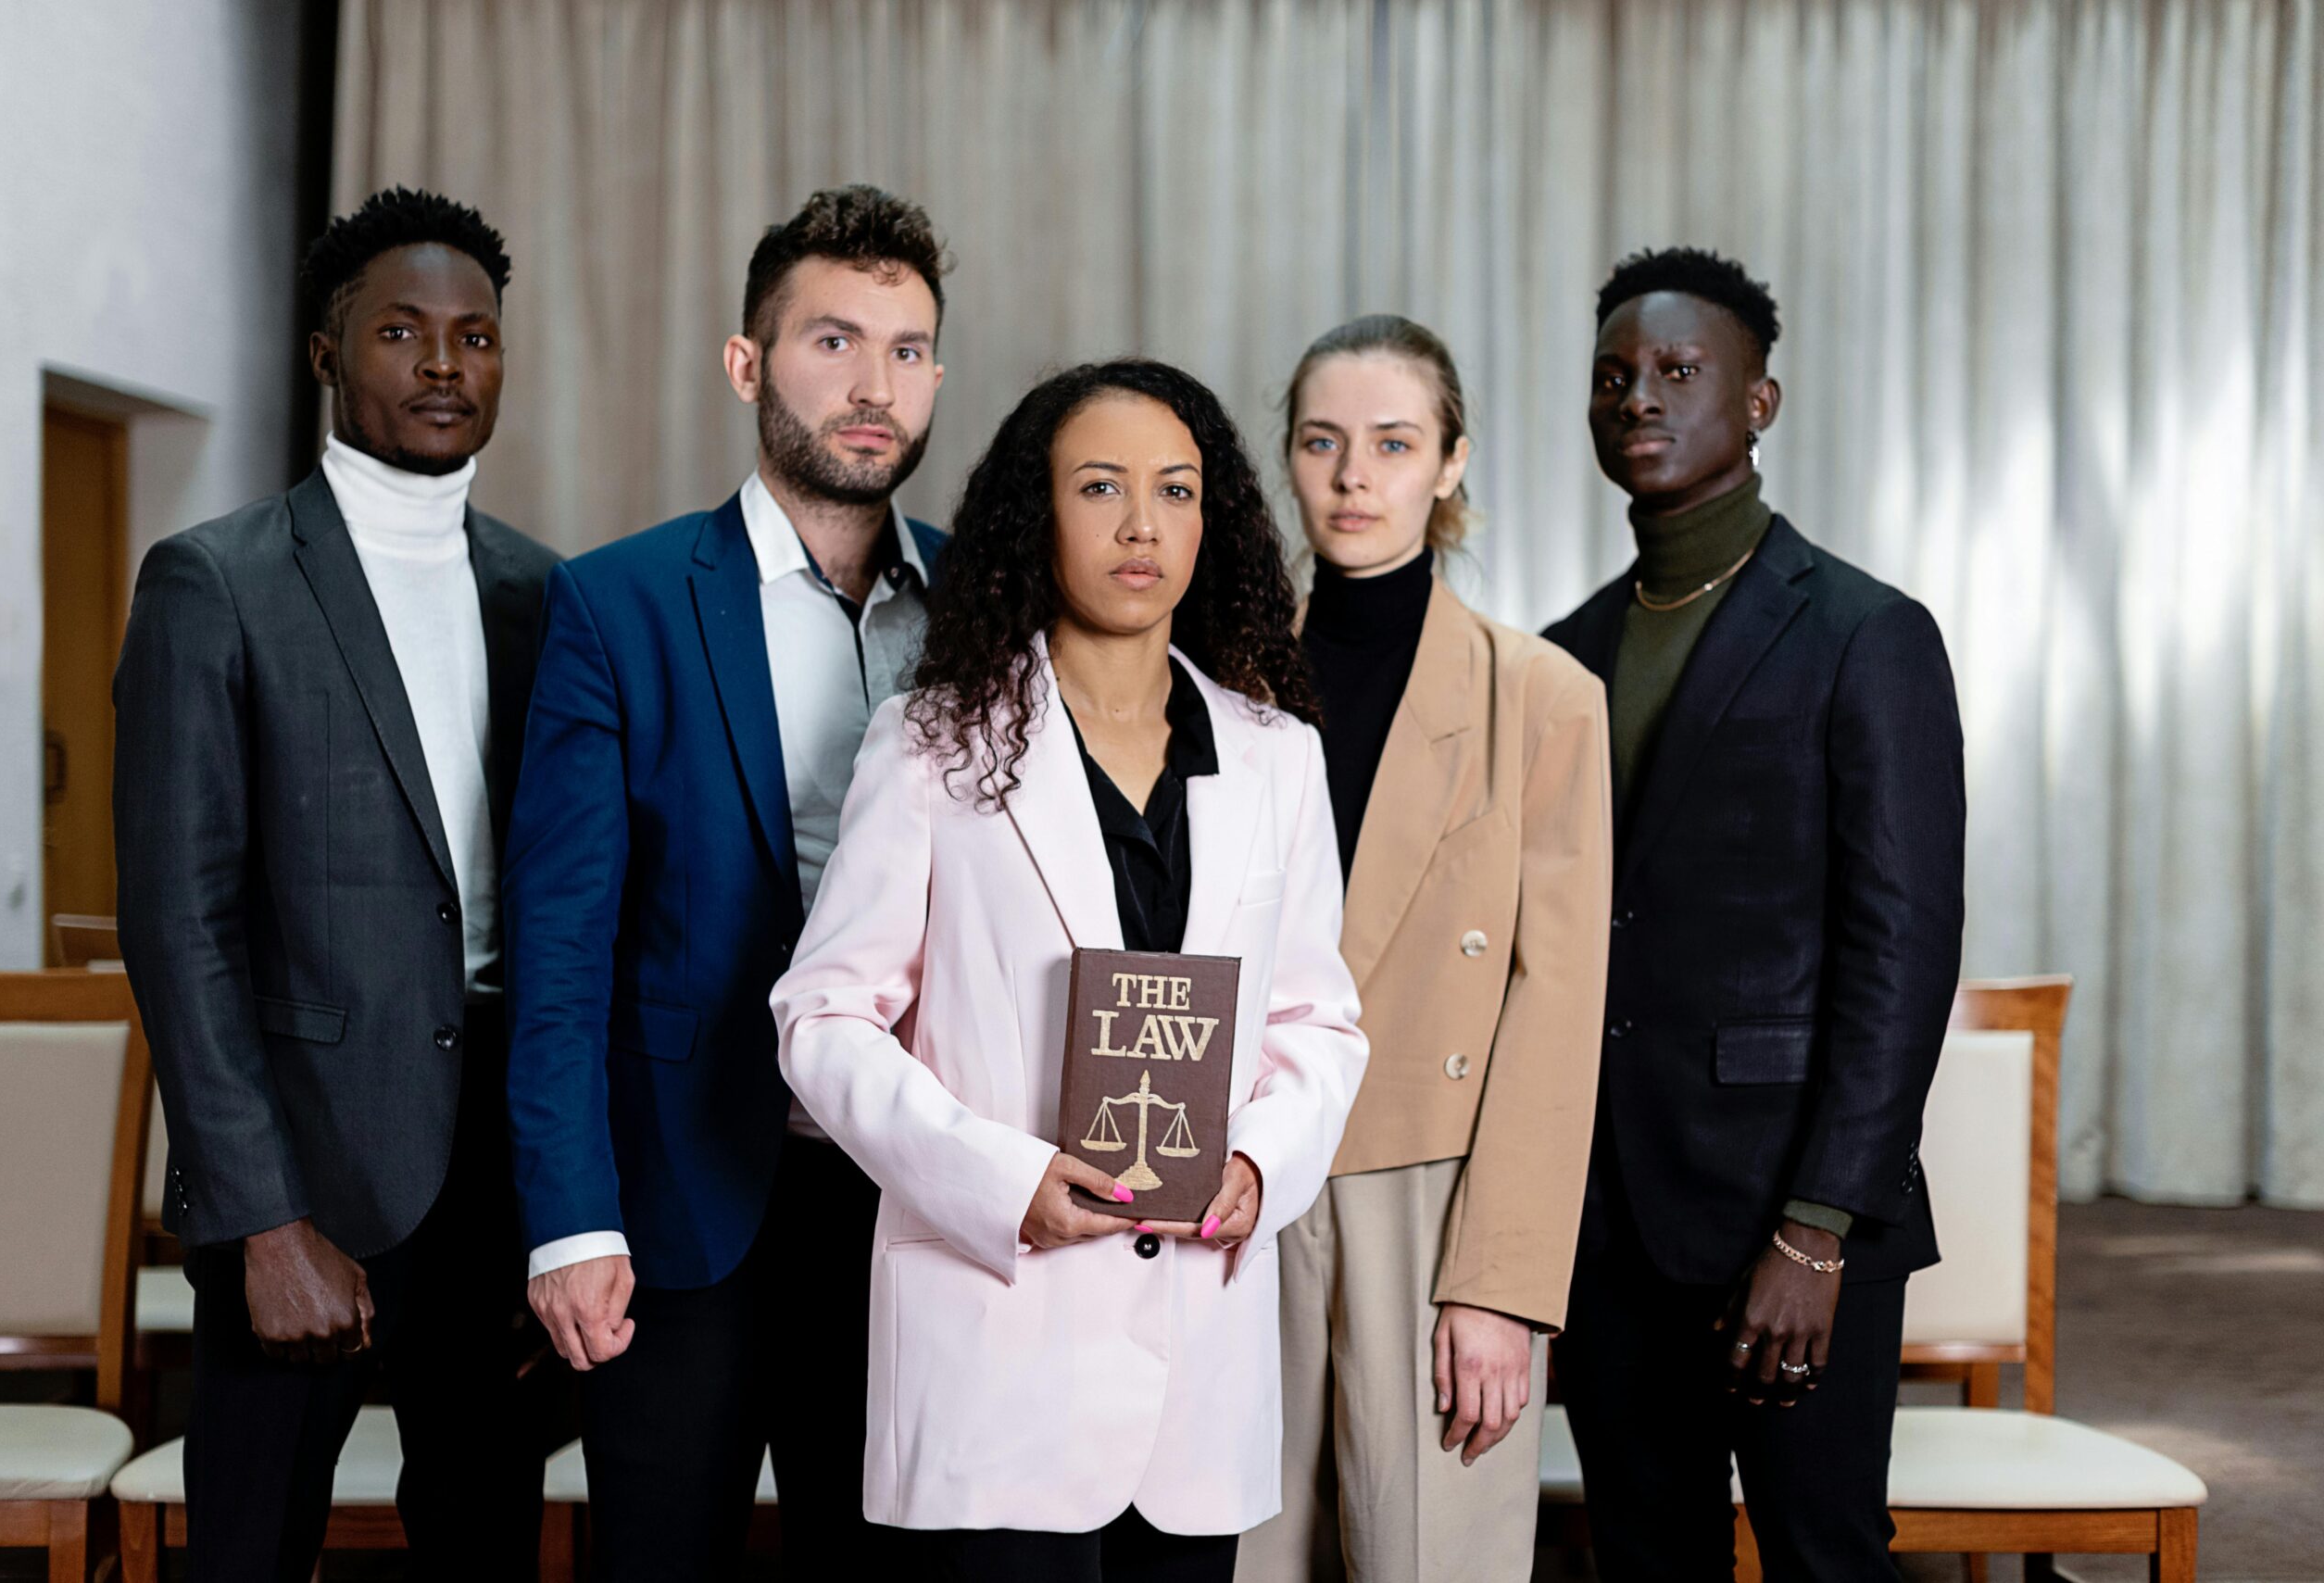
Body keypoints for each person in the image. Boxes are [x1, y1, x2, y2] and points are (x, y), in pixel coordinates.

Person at [770, 358, 1369, 1582]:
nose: (1143, 523)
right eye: (1101, 487)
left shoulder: (1278, 759)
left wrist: (1261, 1158)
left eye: (1177, 489)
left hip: (1197, 1376)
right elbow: (822, 1017)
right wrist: (1003, 1179)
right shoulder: (932, 744)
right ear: (1035, 518)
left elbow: (1321, 1020)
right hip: (999, 1356)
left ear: (1216, 519)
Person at [503, 185, 950, 1579]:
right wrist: (570, 1220)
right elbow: (561, 945)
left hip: (912, 1198)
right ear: (747, 364)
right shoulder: (617, 603)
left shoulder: (984, 609)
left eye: (910, 348)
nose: (875, 386)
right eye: (834, 341)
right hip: (682, 1201)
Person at [112, 187, 558, 1579]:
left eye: (476, 336)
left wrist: (567, 1202)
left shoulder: (548, 594)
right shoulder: (215, 583)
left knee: (484, 1545)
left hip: (500, 1172)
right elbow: (179, 925)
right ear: (326, 350)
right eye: (403, 330)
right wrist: (259, 1216)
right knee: (251, 1554)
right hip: (301, 1177)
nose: (443, 364)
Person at [1542, 247, 1966, 1580]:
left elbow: (1901, 950)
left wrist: (1819, 1228)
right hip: (1610, 1220)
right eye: (1614, 376)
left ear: (1760, 402)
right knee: (1646, 1554)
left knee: (1824, 1554)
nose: (1639, 398)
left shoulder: (1864, 633)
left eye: (1678, 371)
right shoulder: (1563, 656)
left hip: (1788, 1222)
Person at [1236, 316, 1611, 1583]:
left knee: (1427, 1561)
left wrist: (1502, 1284)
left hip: (1435, 1181)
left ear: (1449, 464)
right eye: (1323, 441)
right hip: (1236, 1167)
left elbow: (1554, 1014)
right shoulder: (1217, 676)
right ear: (1287, 459)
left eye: (1393, 444)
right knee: (1229, 1554)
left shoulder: (1543, 696)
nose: (1355, 476)